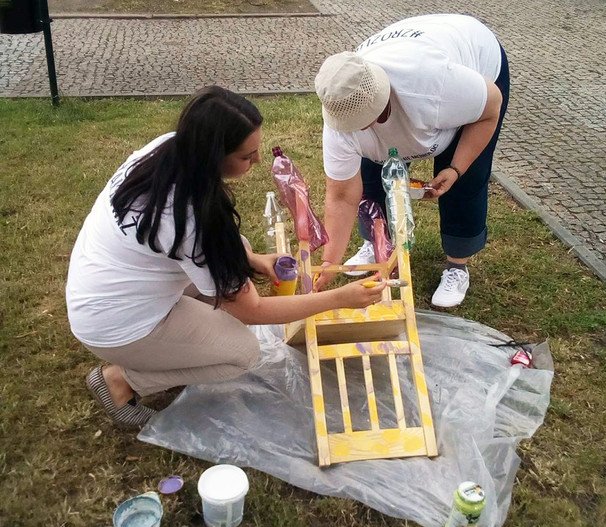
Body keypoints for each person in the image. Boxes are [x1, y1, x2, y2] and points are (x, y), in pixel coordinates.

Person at [66, 86, 385, 429]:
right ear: (214, 155)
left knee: (239, 245)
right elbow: (254, 310)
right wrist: (338, 299)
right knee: (242, 353)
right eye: (247, 156)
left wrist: (253, 260)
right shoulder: (192, 221)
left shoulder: (168, 148)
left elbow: (217, 245)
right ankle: (121, 379)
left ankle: (172, 336)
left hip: (101, 290)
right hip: (118, 327)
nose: (257, 161)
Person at [313, 14, 510, 307]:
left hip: (474, 59)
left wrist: (456, 168)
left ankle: (457, 265)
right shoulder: (341, 111)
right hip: (414, 47)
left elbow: (491, 108)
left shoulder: (435, 86)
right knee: (372, 174)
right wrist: (330, 262)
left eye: (369, 119)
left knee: (466, 181)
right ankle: (376, 242)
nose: (362, 128)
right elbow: (341, 196)